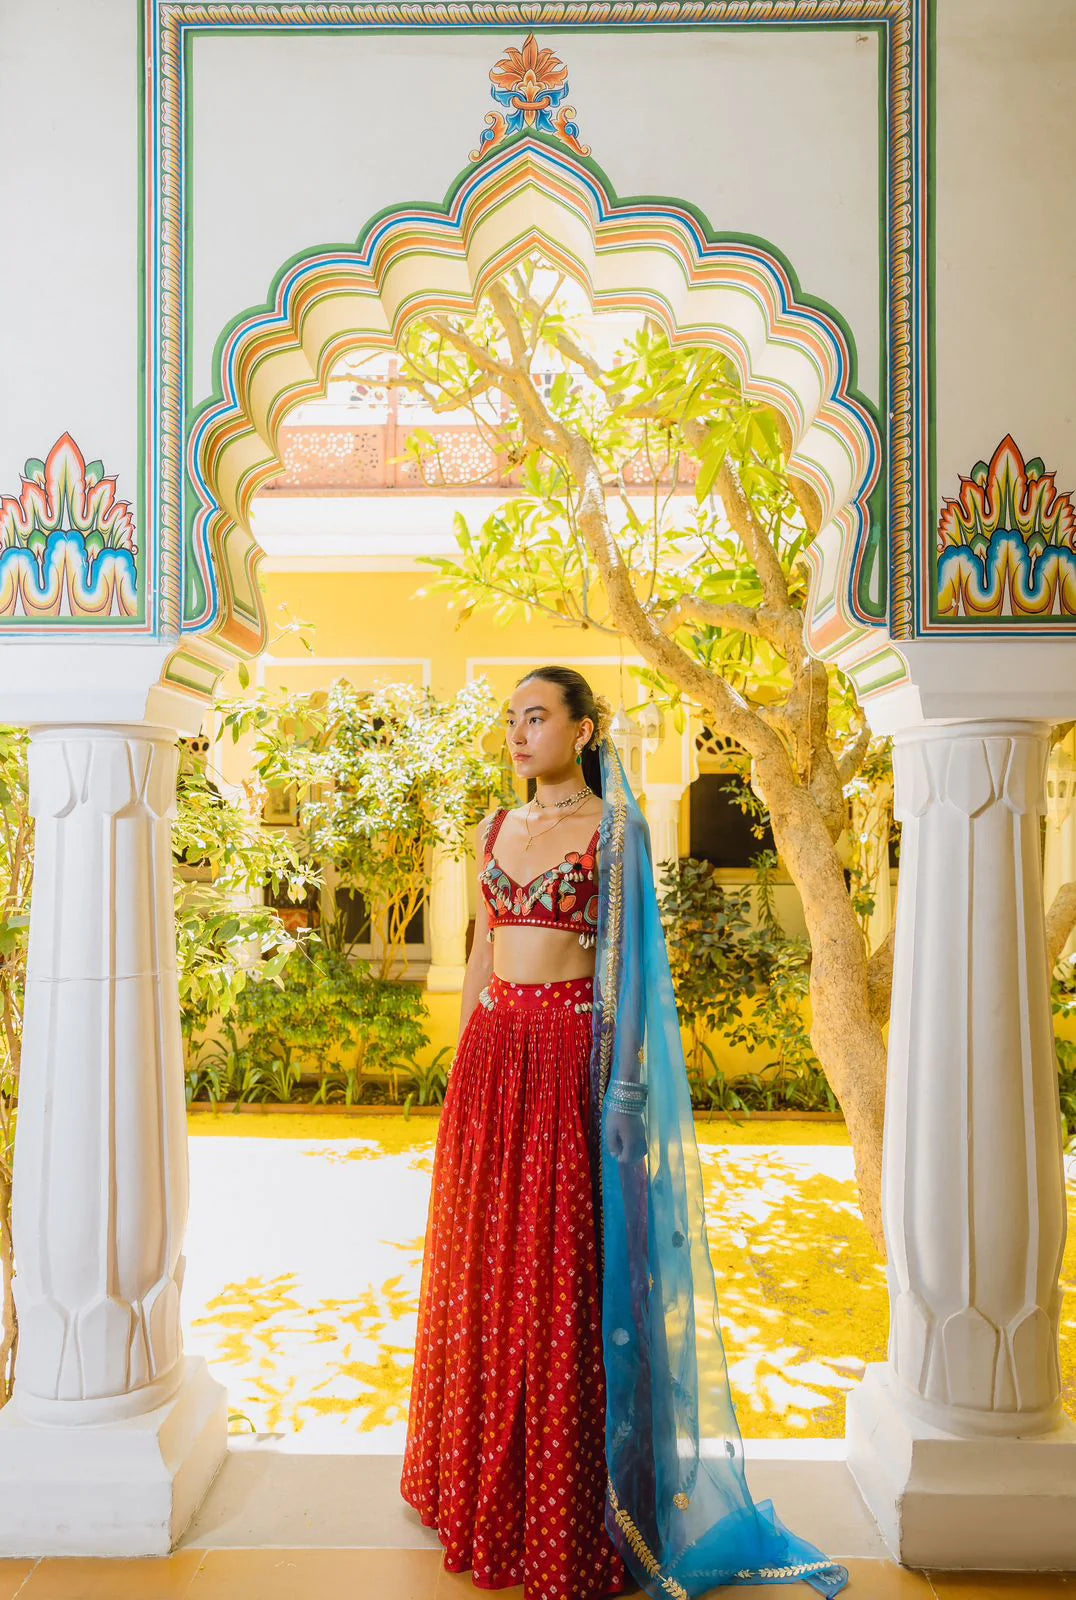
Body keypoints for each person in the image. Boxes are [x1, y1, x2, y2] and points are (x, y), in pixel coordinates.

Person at [401, 666, 848, 1600]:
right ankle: (484, 1480)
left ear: (582, 727)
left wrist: (628, 1090)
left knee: (563, 1270)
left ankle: (571, 1502)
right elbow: (484, 943)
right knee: (486, 1260)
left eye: (537, 716)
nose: (519, 734)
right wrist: (462, 1058)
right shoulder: (493, 828)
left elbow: (634, 967)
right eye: (511, 719)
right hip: (495, 1056)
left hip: (572, 1058)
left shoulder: (616, 832)